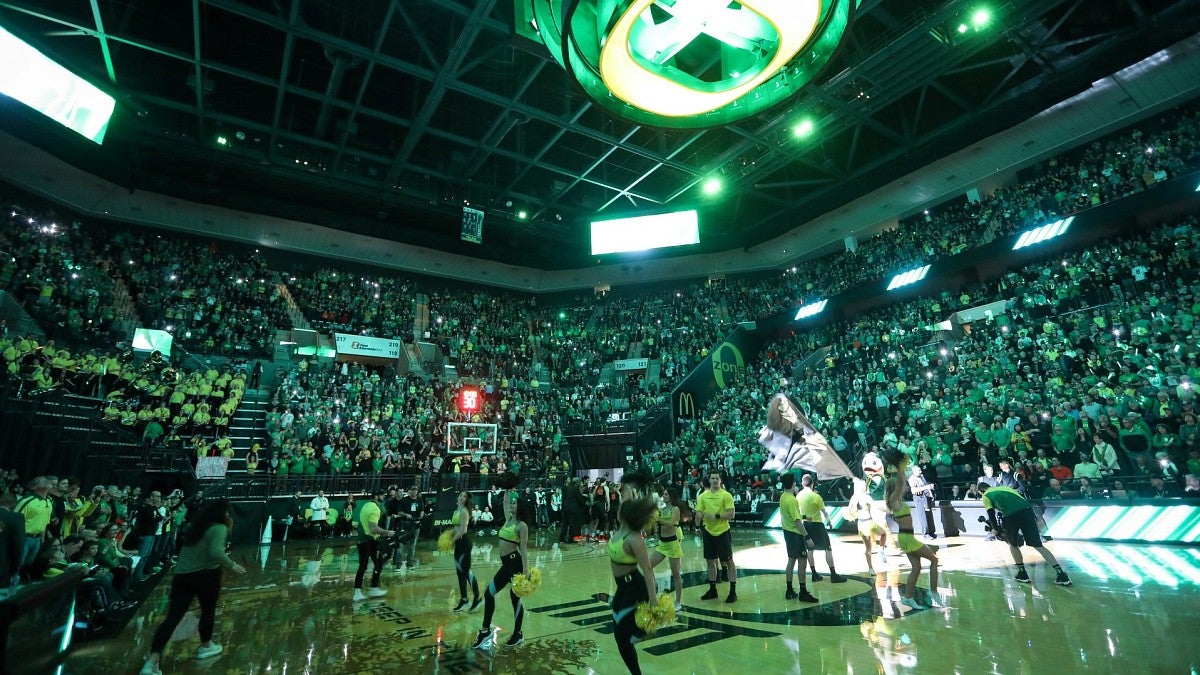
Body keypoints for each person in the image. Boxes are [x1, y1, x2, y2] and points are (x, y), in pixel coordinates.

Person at [139, 500, 247, 675]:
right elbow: (215, 552)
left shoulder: (196, 528)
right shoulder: (220, 528)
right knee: (207, 612)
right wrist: (232, 564)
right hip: (206, 576)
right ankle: (205, 646)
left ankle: (152, 661)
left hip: (182, 577)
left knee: (172, 618)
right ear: (224, 513)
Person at [978, 483, 1072, 587]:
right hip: (1027, 511)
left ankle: (1022, 574)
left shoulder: (986, 496)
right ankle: (1061, 575)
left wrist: (995, 529)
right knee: (1038, 545)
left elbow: (991, 514)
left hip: (1010, 516)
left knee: (1013, 545)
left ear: (981, 491)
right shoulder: (1005, 487)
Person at [883, 450, 943, 609]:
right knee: (934, 560)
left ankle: (908, 597)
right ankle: (933, 591)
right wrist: (900, 468)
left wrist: (900, 468)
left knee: (916, 568)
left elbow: (902, 485)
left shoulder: (896, 500)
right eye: (898, 487)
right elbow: (902, 484)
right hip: (907, 538)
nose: (902, 488)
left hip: (905, 537)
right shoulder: (894, 500)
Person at [607, 496, 659, 675]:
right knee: (618, 636)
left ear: (626, 514)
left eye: (621, 508)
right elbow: (629, 495)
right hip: (622, 588)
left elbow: (648, 570)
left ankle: (647, 628)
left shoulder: (635, 538)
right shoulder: (620, 530)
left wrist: (653, 602)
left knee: (623, 638)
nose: (617, 510)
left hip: (636, 588)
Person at [472, 498, 532, 649]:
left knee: (515, 599)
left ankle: (518, 633)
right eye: (511, 502)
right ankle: (485, 631)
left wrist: (525, 571)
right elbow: (505, 503)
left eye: (515, 503)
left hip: (516, 564)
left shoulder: (522, 526)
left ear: (520, 507)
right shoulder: (508, 519)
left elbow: (524, 550)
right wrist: (506, 490)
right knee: (489, 594)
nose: (511, 504)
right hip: (506, 565)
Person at [798, 474, 847, 583]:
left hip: (806, 525)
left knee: (810, 550)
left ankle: (814, 574)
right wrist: (829, 523)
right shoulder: (816, 496)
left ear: (802, 483)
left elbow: (798, 514)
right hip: (818, 525)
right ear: (813, 483)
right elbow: (824, 513)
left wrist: (805, 517)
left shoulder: (798, 496)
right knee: (828, 549)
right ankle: (833, 574)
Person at [697, 470, 737, 603]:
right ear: (709, 480)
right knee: (710, 561)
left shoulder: (726, 495)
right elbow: (699, 512)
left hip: (722, 532)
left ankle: (732, 591)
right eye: (712, 478)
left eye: (716, 478)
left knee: (728, 561)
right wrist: (697, 524)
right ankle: (713, 590)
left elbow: (731, 514)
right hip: (708, 532)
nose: (714, 480)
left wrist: (717, 516)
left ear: (720, 480)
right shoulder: (703, 496)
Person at [777, 474, 819, 603]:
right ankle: (803, 591)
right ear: (794, 483)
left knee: (791, 561)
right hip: (796, 533)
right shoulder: (792, 500)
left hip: (787, 532)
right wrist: (807, 537)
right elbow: (796, 521)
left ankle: (789, 589)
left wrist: (804, 516)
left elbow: (792, 516)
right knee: (802, 561)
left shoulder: (783, 497)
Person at [352, 489, 395, 602]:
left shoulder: (366, 505)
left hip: (365, 540)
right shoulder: (375, 509)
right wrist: (387, 532)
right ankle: (358, 593)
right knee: (363, 566)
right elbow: (373, 528)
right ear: (376, 496)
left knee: (378, 563)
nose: (384, 497)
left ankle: (373, 588)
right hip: (368, 540)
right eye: (382, 495)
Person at [649, 486, 686, 610]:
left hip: (672, 544)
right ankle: (653, 589)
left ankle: (678, 602)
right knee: (648, 567)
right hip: (662, 544)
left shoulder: (675, 509)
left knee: (676, 574)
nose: (663, 496)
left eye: (665, 494)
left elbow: (671, 523)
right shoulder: (663, 509)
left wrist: (658, 519)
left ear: (671, 497)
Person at [450, 490, 482, 612]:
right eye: (460, 495)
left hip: (464, 543)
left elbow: (463, 530)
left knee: (467, 572)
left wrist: (452, 541)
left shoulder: (464, 511)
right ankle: (464, 599)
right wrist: (449, 535)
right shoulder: (456, 510)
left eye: (464, 496)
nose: (462, 498)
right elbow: (455, 528)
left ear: (467, 500)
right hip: (458, 544)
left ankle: (477, 598)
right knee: (460, 572)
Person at [393, 486, 424, 568]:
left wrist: (421, 516)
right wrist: (406, 515)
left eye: (416, 490)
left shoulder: (420, 500)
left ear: (417, 491)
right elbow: (399, 512)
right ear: (410, 491)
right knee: (401, 543)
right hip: (405, 524)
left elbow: (422, 510)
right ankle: (398, 564)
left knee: (413, 544)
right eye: (413, 490)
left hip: (416, 525)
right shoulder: (404, 500)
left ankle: (410, 563)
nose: (414, 491)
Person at [907, 464, 938, 539]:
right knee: (923, 516)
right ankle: (926, 533)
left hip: (926, 497)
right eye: (918, 470)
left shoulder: (922, 476)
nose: (920, 471)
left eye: (920, 470)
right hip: (919, 498)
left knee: (929, 515)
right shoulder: (911, 479)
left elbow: (926, 484)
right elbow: (914, 491)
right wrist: (926, 487)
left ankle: (931, 532)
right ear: (913, 471)